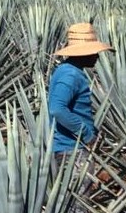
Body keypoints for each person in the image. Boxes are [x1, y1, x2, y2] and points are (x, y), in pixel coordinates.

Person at [48, 22, 114, 161]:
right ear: (84, 53)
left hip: (69, 148)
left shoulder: (66, 69)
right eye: (94, 52)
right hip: (71, 150)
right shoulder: (71, 75)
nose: (97, 57)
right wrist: (87, 134)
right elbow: (57, 109)